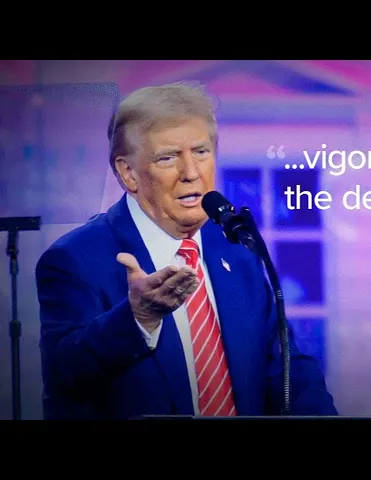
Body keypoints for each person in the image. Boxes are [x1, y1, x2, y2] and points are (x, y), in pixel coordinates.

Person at [35, 82, 338, 419]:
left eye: (201, 152)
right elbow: (64, 375)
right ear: (128, 173)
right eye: (168, 158)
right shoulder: (75, 259)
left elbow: (287, 370)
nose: (191, 173)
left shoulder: (236, 249)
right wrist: (138, 318)